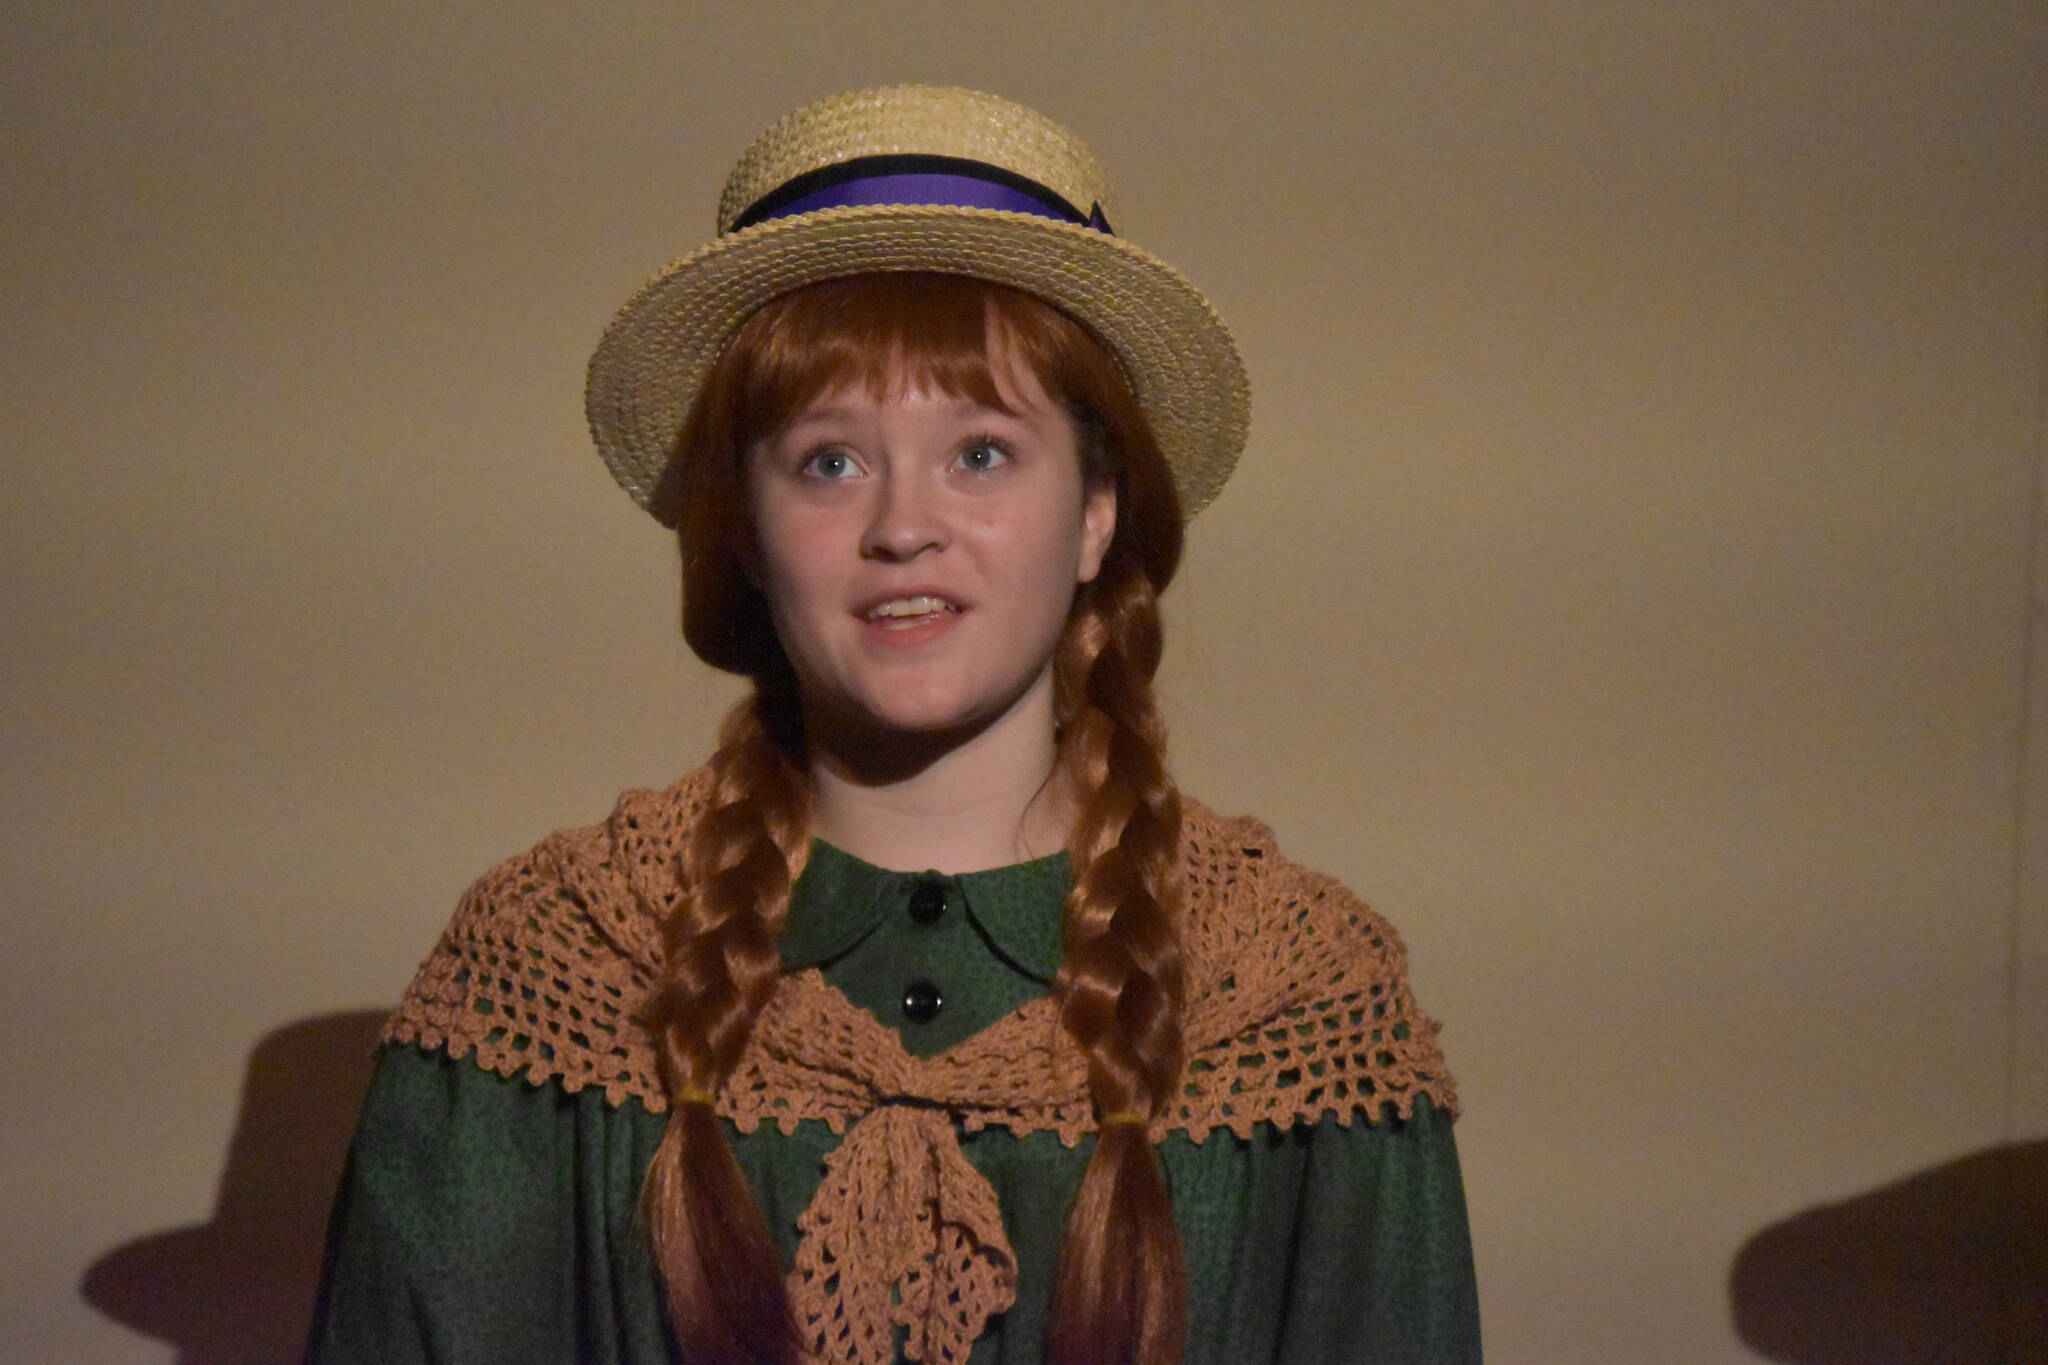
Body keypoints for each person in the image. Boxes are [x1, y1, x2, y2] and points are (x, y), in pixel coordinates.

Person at [308, 85, 1480, 1365]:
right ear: (744, 534)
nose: (900, 526)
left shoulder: (1300, 997)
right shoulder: (550, 968)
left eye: (979, 452)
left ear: (1093, 514)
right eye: (829, 460)